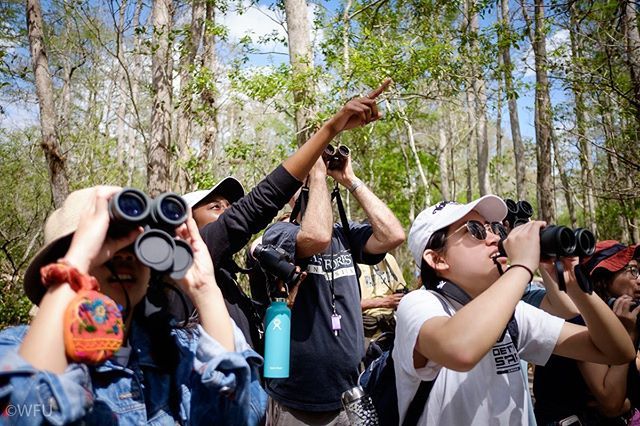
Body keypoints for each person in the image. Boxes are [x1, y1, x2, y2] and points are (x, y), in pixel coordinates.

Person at [0, 186, 267, 424]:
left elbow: (232, 417)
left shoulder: (180, 352)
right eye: (107, 242)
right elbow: (20, 414)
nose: (125, 254)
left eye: (138, 243)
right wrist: (75, 264)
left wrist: (205, 289)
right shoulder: (14, 348)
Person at [181, 80, 392, 351]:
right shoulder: (185, 265)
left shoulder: (223, 278)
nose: (228, 212)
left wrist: (284, 304)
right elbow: (256, 207)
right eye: (215, 207)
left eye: (230, 205)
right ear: (185, 224)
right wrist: (330, 131)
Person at [395, 196, 635, 425]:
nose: (493, 239)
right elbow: (459, 350)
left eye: (494, 229)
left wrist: (574, 284)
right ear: (437, 259)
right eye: (475, 230)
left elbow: (617, 351)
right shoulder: (420, 304)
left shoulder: (514, 314)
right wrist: (521, 265)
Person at [262, 151, 405, 424]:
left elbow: (393, 235)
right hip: (295, 400)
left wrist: (350, 179)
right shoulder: (279, 234)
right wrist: (315, 173)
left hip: (349, 394)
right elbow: (316, 236)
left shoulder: (346, 234)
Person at [533, 240, 640, 425]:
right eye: (632, 271)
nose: (639, 279)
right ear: (602, 280)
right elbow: (611, 403)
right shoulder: (580, 318)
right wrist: (627, 335)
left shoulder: (628, 315)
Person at [359, 252, 408, 339]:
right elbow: (345, 306)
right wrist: (381, 302)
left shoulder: (388, 258)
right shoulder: (350, 262)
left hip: (389, 328)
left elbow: (400, 292)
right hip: (364, 331)